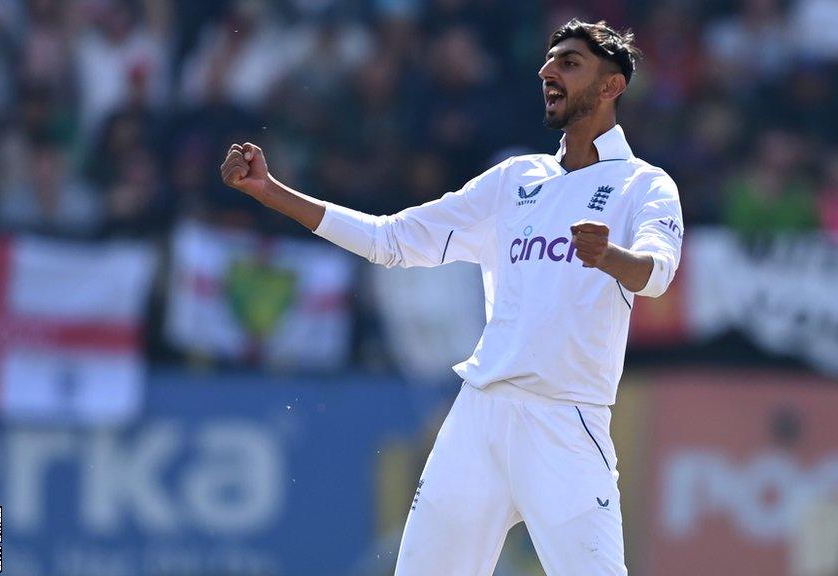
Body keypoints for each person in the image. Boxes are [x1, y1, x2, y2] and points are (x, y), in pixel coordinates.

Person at [220, 19, 683, 575]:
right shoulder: (515, 179)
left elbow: (657, 273)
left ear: (611, 87)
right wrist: (270, 193)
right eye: (549, 59)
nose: (548, 71)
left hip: (568, 423)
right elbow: (390, 240)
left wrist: (610, 257)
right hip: (480, 416)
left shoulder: (645, 184)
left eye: (570, 62)